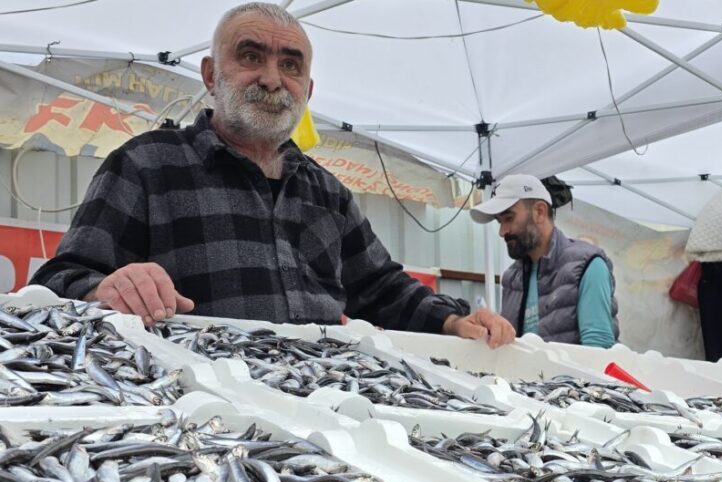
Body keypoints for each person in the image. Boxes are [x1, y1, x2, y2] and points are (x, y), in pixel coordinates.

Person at [30, 3, 514, 348]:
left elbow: (383, 289)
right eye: (250, 56)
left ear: (308, 88)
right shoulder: (146, 165)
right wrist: (104, 288)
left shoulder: (328, 193)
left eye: (290, 65)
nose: (271, 78)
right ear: (209, 75)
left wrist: (454, 320)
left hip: (323, 405)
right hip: (198, 410)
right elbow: (59, 279)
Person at [469, 174, 618, 347]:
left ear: (539, 212)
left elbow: (598, 351)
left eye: (508, 218)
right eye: (499, 222)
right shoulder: (512, 277)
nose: (502, 231)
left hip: (573, 375)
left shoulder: (588, 266)